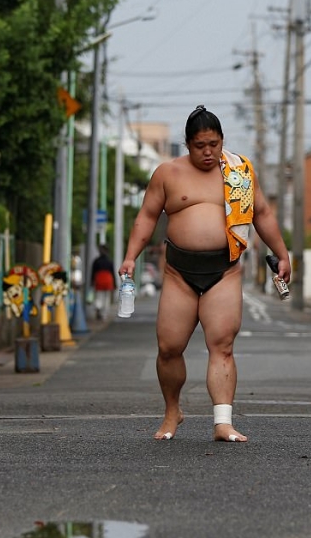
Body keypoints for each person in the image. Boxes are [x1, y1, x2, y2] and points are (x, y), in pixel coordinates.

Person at [119, 105, 291, 443]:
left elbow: (263, 214)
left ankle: (223, 422)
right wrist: (129, 257)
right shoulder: (167, 173)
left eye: (213, 144)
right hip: (178, 273)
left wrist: (282, 253)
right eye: (200, 146)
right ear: (187, 144)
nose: (208, 152)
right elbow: (147, 217)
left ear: (222, 140)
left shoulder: (239, 172)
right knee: (169, 347)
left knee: (222, 345)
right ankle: (173, 411)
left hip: (224, 271)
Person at [91, 245, 117, 320]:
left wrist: (92, 281)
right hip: (108, 280)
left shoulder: (96, 261)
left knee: (99, 296)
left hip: (99, 279)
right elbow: (113, 273)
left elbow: (93, 273)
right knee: (106, 298)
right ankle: (104, 314)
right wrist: (115, 284)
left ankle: (98, 306)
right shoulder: (110, 261)